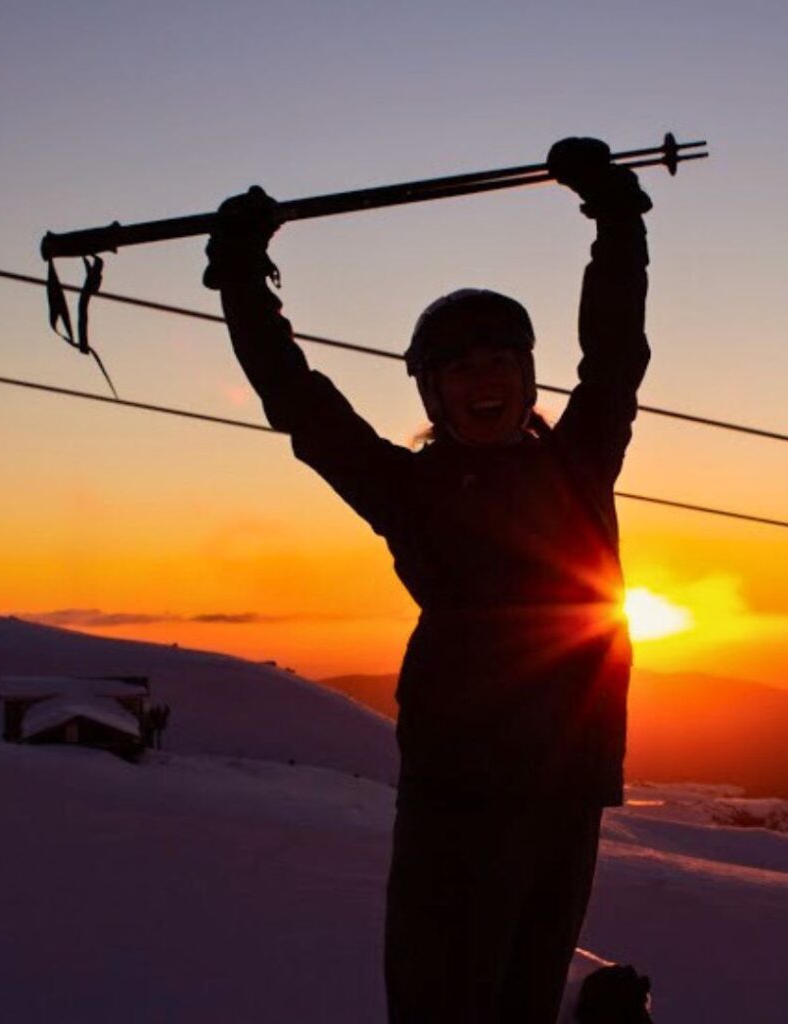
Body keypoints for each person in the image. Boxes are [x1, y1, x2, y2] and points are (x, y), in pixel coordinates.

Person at [203, 137, 652, 1024]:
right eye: (461, 367)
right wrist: (242, 279)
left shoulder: (580, 459)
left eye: (501, 362)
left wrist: (616, 219)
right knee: (441, 999)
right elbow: (301, 403)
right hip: (461, 796)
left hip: (569, 785)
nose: (484, 379)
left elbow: (613, 349)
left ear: (529, 380)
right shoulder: (409, 491)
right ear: (433, 395)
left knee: (524, 993)